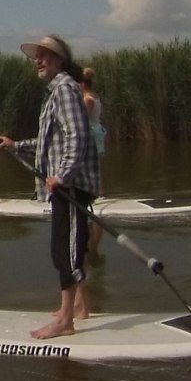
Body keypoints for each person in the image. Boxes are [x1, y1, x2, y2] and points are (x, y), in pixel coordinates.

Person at [0, 34, 101, 340]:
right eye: (37, 57)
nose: (38, 60)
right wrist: (17, 146)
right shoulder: (56, 92)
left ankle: (66, 320)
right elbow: (50, 142)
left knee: (63, 251)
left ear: (60, 59)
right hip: (67, 184)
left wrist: (63, 175)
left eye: (45, 56)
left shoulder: (65, 89)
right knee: (73, 247)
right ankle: (80, 307)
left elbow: (78, 136)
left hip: (71, 185)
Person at [82, 66, 107, 253]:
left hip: (90, 134)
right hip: (96, 132)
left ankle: (96, 198)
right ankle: (99, 197)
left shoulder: (88, 99)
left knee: (91, 168)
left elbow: (83, 119)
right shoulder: (95, 95)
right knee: (96, 168)